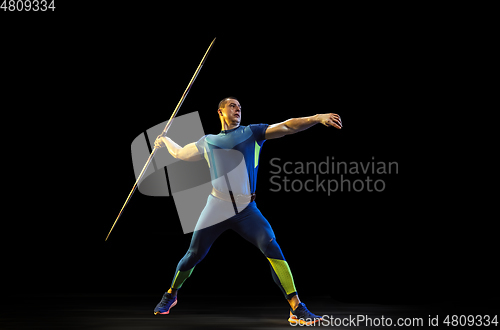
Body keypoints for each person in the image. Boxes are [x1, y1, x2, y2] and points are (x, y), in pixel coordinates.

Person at [153, 97, 342, 325]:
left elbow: (287, 126)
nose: (238, 109)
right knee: (194, 254)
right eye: (232, 106)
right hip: (217, 206)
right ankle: (171, 293)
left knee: (271, 246)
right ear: (220, 112)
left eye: (240, 106)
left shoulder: (252, 133)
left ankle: (296, 308)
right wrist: (165, 140)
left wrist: (316, 117)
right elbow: (180, 153)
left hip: (246, 209)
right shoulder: (208, 141)